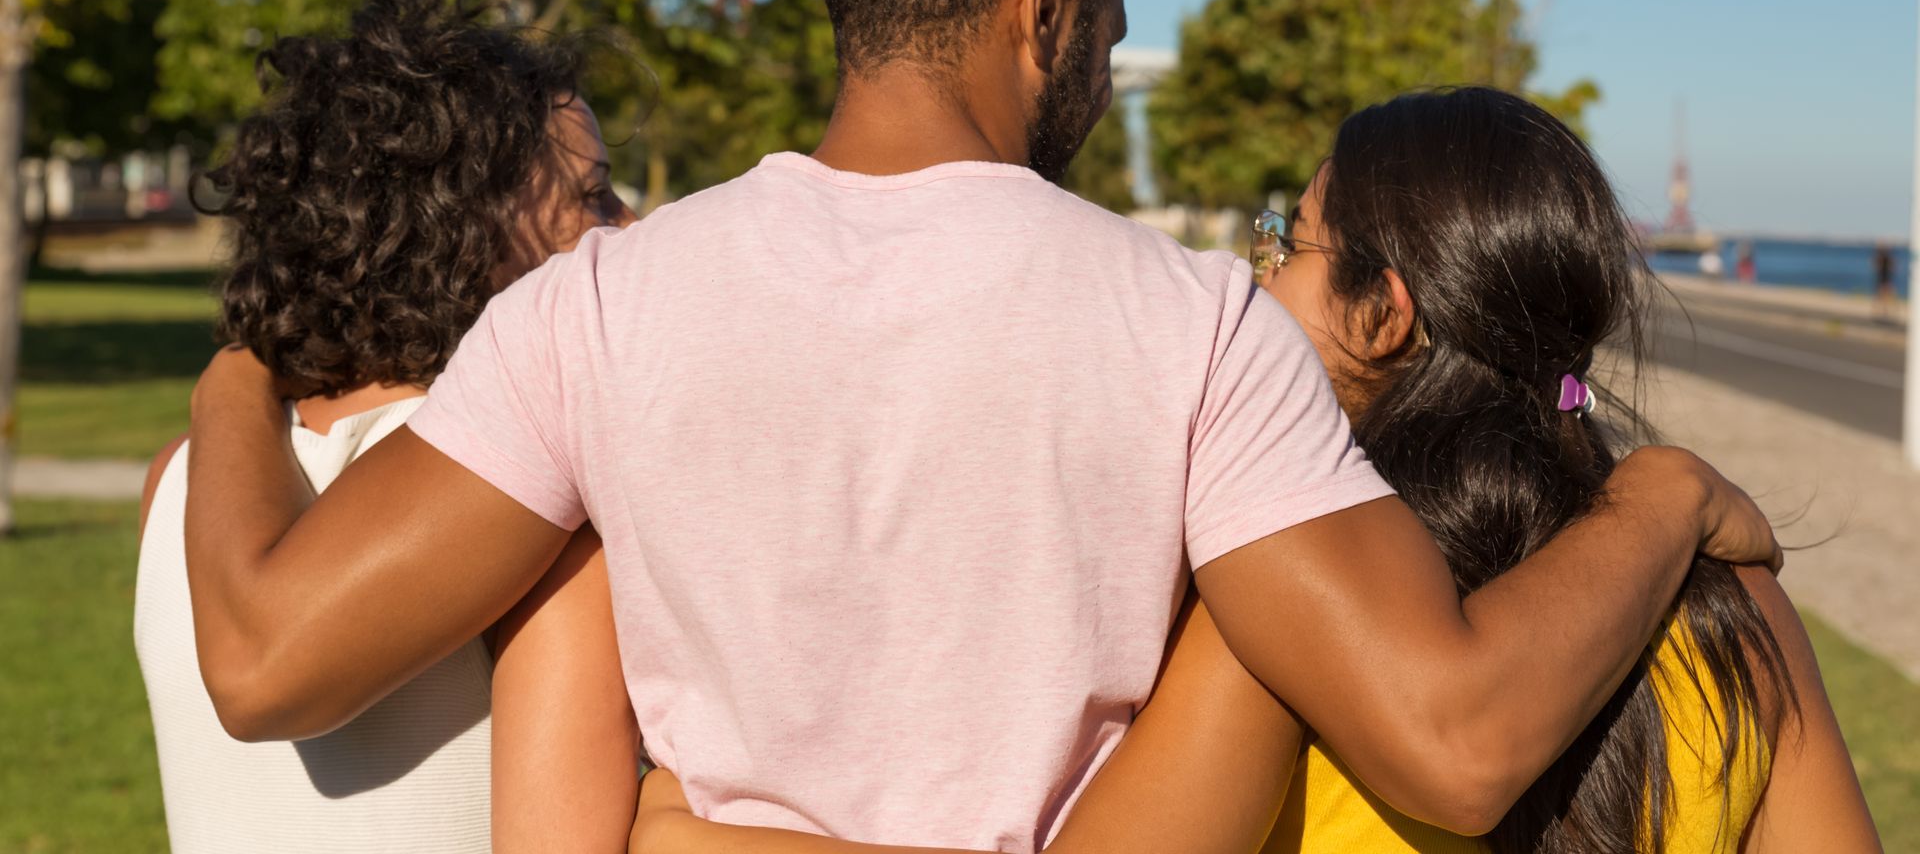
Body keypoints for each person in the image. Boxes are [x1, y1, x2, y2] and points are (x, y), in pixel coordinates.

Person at [181, 0, 1779, 850]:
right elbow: (1456, 736)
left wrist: (235, 375)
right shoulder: (1198, 329)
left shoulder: (596, 307)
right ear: (1046, 8)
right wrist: (1657, 493)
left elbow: (266, 662)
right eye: (1107, 35)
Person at [630, 88, 1879, 853]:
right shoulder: (1737, 613)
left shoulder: (1291, 614)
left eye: (1284, 238)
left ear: (1382, 313)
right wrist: (1659, 492)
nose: (1245, 273)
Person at [135, 0, 640, 852]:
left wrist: (234, 373)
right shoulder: (540, 497)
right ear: (460, 224)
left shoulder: (178, 479)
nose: (629, 227)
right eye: (591, 194)